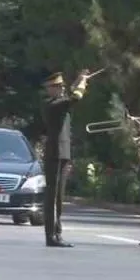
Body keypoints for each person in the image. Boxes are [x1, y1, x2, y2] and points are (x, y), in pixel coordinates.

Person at [40, 69, 91, 247]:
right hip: (55, 154)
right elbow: (75, 97)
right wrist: (83, 82)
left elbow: (70, 95)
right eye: (57, 86)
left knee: (59, 198)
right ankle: (52, 235)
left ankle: (57, 233)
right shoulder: (52, 105)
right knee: (53, 197)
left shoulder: (60, 103)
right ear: (49, 89)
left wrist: (78, 80)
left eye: (62, 86)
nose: (61, 88)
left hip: (62, 154)